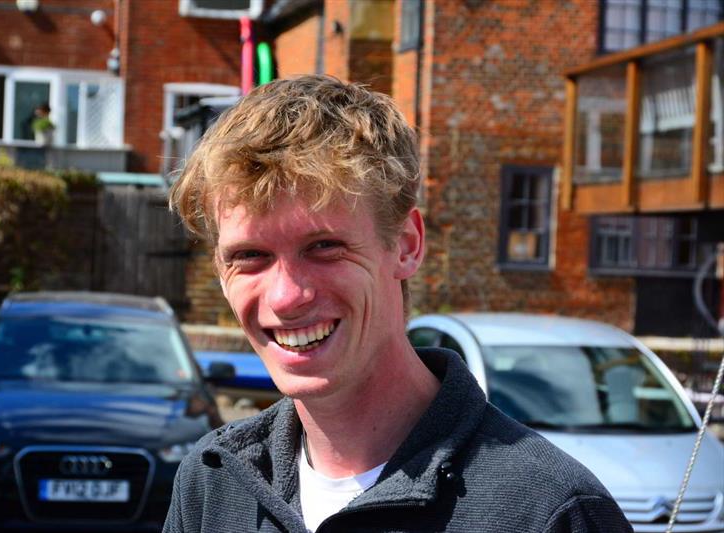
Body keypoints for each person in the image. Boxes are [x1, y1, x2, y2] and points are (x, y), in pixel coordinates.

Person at [163, 75, 632, 533]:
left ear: (406, 245)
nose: (286, 297)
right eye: (250, 256)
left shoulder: (549, 511)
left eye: (325, 247)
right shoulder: (213, 485)